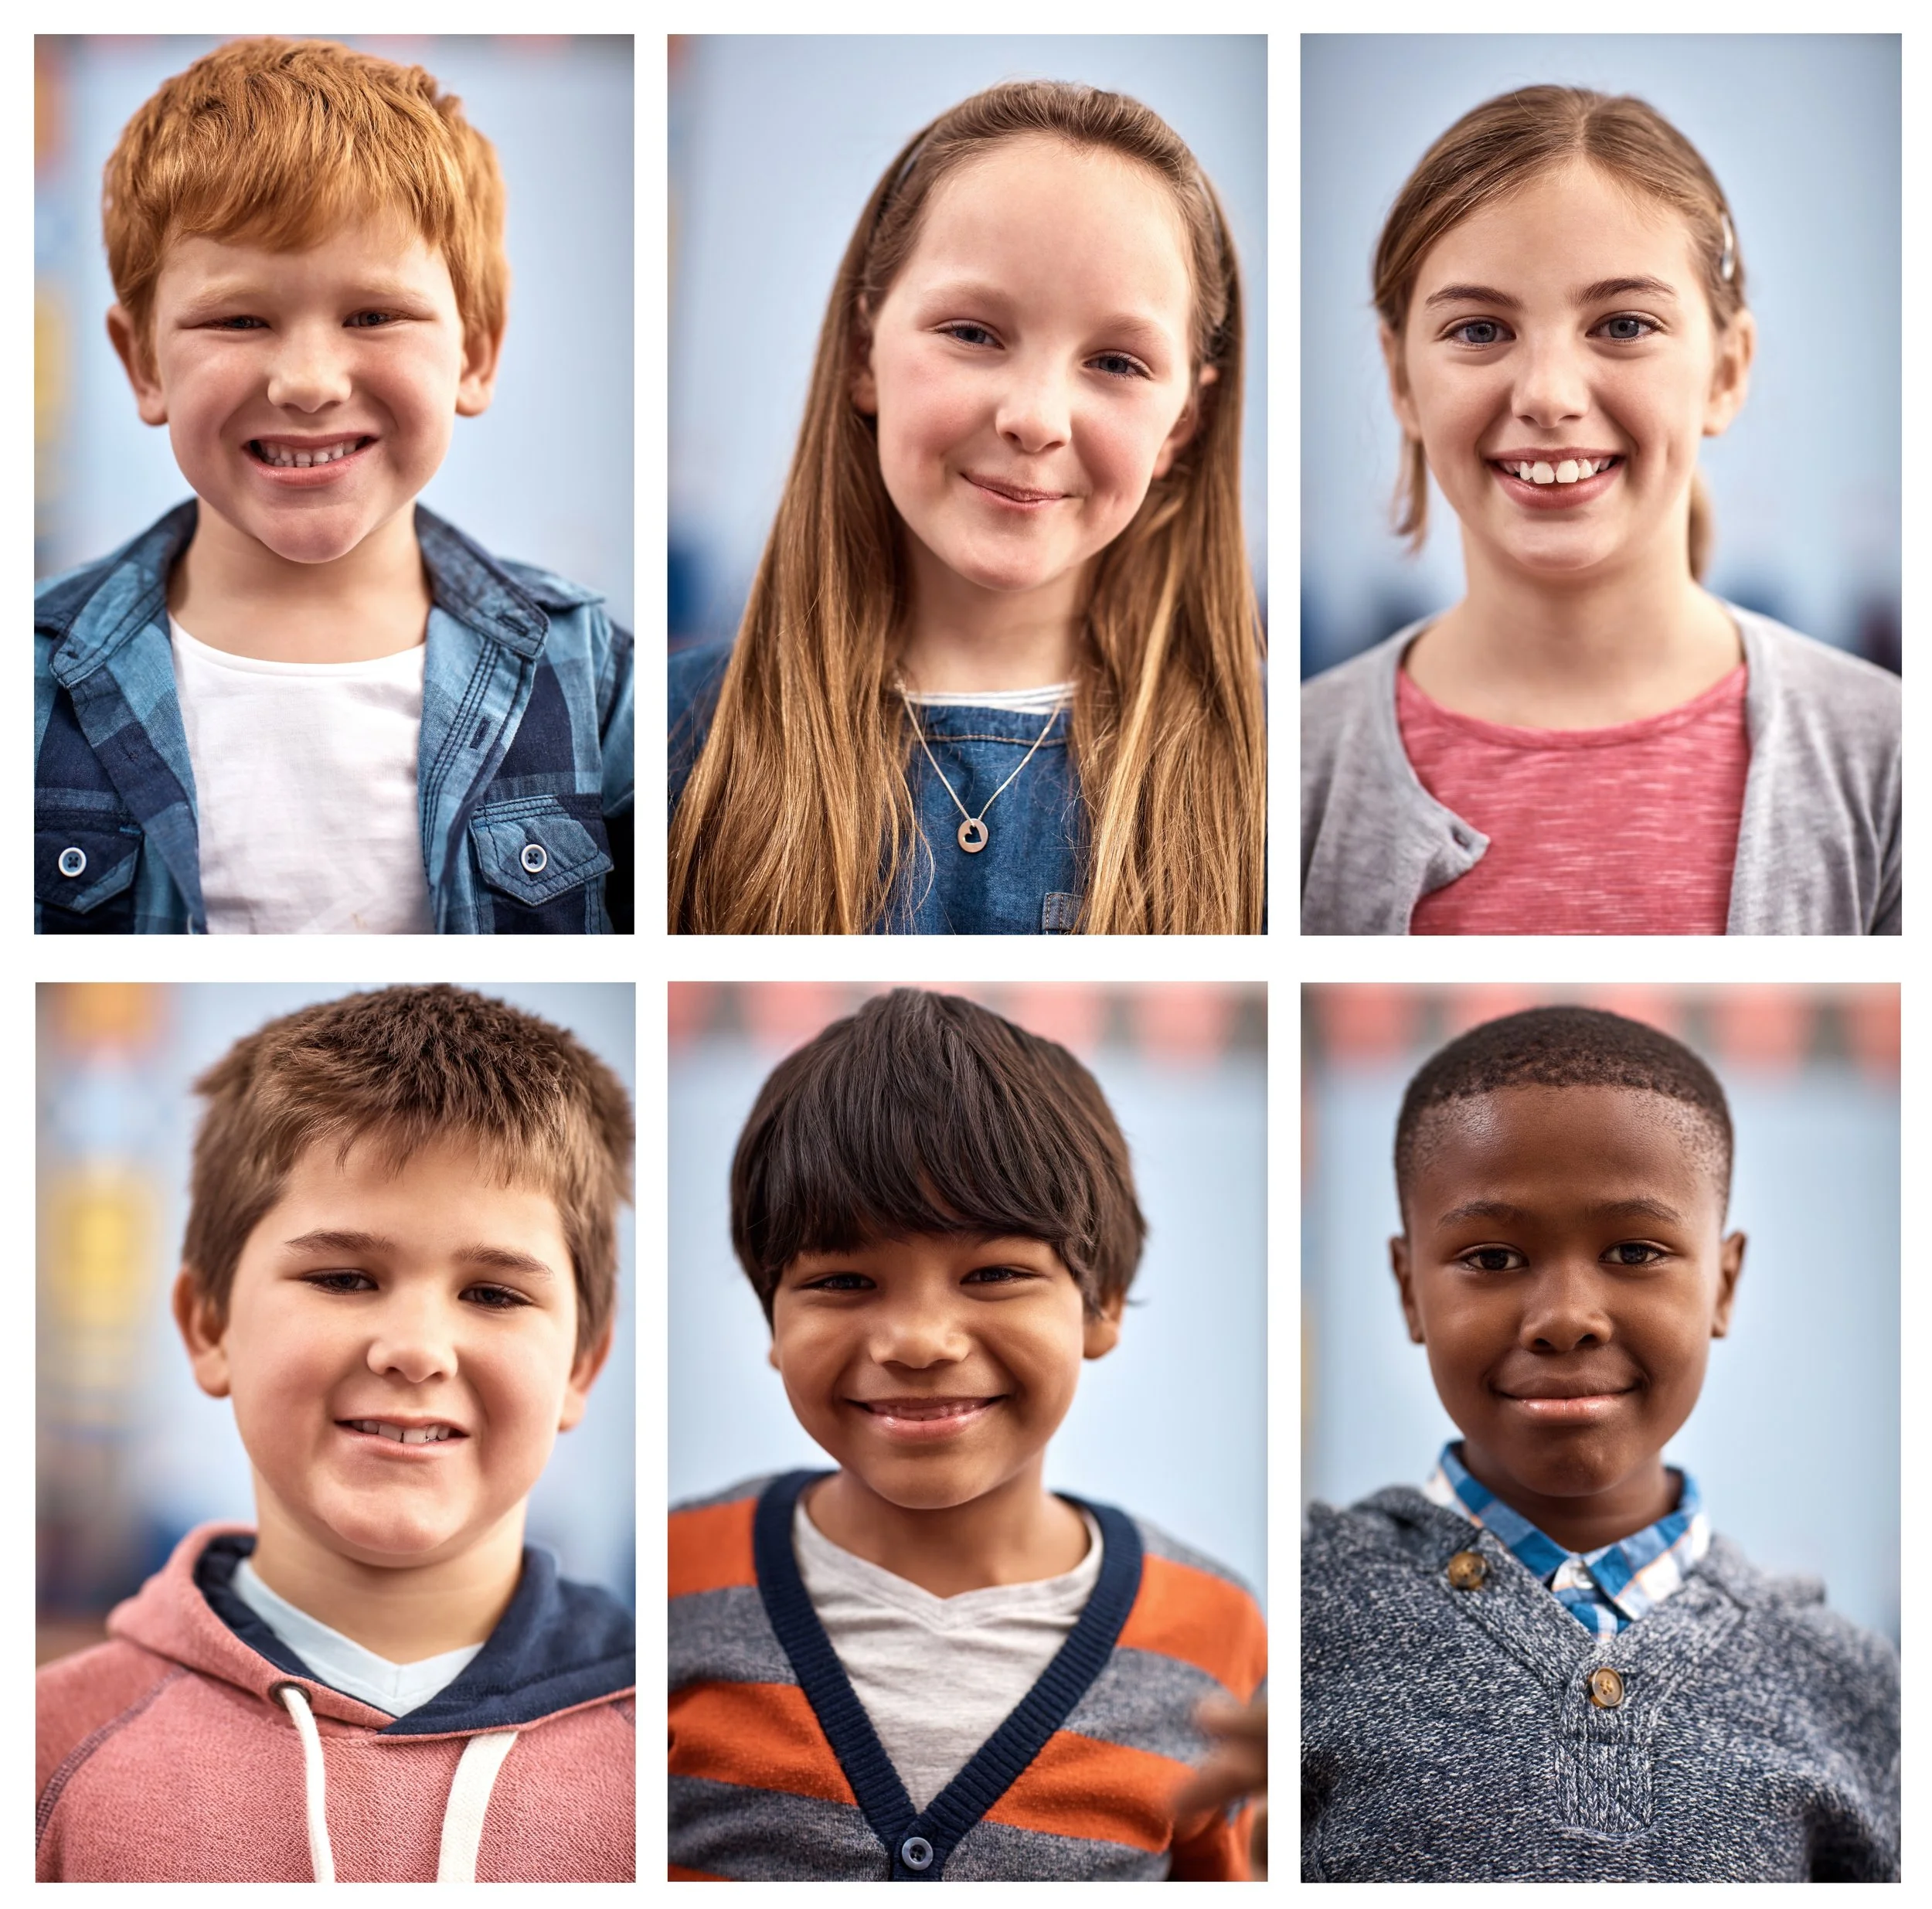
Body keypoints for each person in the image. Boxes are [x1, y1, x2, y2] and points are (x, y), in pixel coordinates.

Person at [36, 986, 637, 1882]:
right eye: (345, 1277)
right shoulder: (47, 1750)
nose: (415, 1350)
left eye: (494, 1293)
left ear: (582, 1364)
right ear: (208, 1326)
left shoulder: (683, 1748)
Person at [35, 39, 634, 934]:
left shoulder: (594, 681)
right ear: (142, 363)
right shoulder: (34, 684)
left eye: (373, 315)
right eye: (239, 319)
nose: (308, 380)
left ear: (474, 352)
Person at [668, 989, 1267, 1878]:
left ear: (1100, 1304)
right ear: (771, 1317)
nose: (917, 1341)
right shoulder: (670, 1584)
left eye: (992, 1272)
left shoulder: (1215, 1629)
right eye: (841, 1281)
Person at [1302, 1005, 1899, 1881]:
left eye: (1633, 1249)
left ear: (1723, 1284)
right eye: (1493, 1259)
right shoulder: (1307, 1602)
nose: (1566, 1320)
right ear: (1407, 1289)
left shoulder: (1846, 1678)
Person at [1301, 87, 1900, 936]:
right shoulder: (1281, 772)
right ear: (1400, 378)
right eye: (1478, 331)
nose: (1548, 395)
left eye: (1622, 324)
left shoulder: (1889, 762)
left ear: (1726, 372)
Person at [670, 82, 1265, 935]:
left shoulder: (1290, 776)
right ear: (861, 350)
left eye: (1117, 363)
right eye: (973, 334)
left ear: (1184, 422)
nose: (1033, 417)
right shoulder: (663, 743)